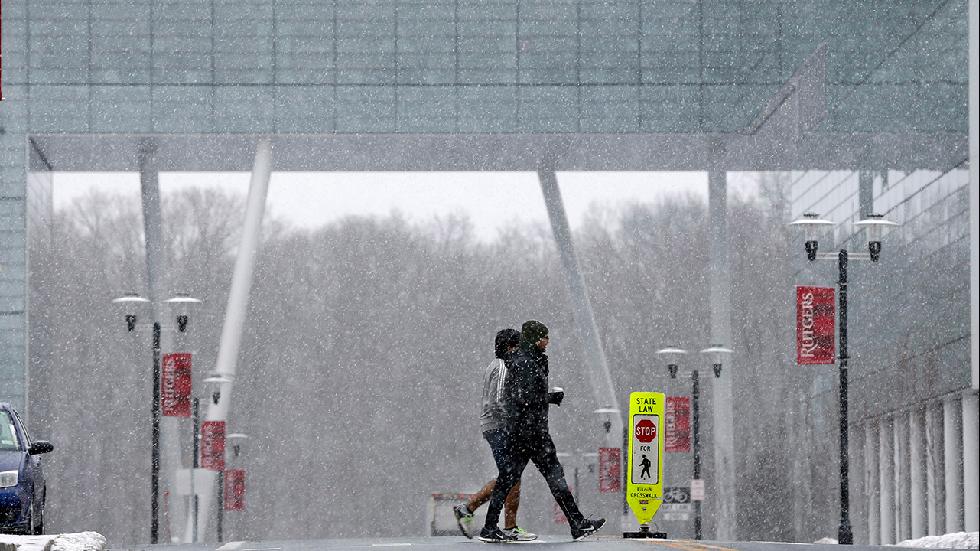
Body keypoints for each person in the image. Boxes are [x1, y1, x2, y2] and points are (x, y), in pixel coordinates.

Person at [479, 320, 605, 542]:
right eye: (545, 337)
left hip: (528, 431)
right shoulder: (524, 362)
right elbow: (522, 399)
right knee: (544, 477)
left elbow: (523, 397)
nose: (548, 341)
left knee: (516, 477)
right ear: (536, 339)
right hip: (530, 433)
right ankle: (576, 523)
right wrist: (550, 398)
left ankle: (576, 523)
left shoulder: (531, 360)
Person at [452, 328, 536, 541]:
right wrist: (514, 419)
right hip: (499, 427)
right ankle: (500, 524)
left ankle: (475, 511)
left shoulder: (496, 365)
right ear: (510, 347)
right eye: (517, 346)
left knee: (510, 476)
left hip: (496, 426)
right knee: (511, 476)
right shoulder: (502, 366)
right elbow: (497, 400)